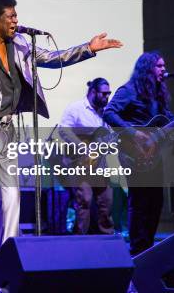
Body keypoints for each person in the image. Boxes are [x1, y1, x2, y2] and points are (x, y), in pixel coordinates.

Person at [0, 0, 122, 274]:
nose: (16, 20)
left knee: (11, 195)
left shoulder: (20, 44)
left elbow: (53, 58)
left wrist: (88, 49)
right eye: (10, 16)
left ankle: (7, 263)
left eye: (16, 15)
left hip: (10, 128)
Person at [103, 51, 174, 255]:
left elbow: (173, 123)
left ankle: (147, 251)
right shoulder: (129, 90)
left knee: (155, 203)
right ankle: (137, 251)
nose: (164, 70)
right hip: (132, 153)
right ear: (147, 69)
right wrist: (134, 133)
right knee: (140, 202)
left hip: (154, 156)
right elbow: (109, 112)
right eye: (160, 66)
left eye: (164, 66)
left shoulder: (157, 96)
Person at [58, 77, 114, 235]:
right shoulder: (76, 108)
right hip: (79, 165)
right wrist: (82, 147)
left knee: (106, 202)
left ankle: (108, 243)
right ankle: (80, 241)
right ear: (93, 92)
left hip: (100, 166)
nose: (106, 97)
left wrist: (110, 144)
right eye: (104, 94)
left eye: (108, 94)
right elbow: (64, 130)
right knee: (85, 202)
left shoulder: (106, 113)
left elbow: (109, 137)